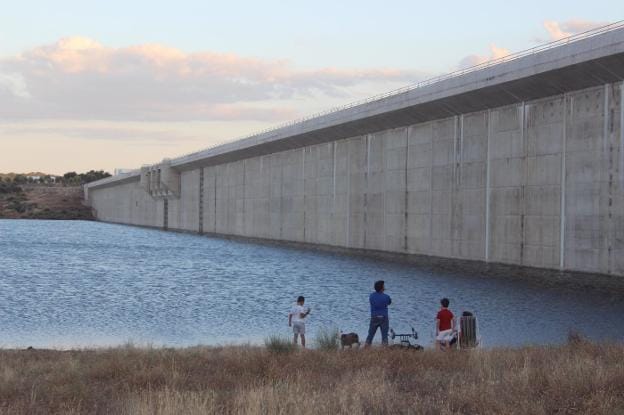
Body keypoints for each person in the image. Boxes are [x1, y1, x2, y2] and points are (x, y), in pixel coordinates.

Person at [364, 280, 392, 346]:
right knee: (384, 336)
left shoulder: (371, 296)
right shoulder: (386, 296)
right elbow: (389, 302)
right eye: (383, 286)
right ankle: (384, 350)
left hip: (374, 317)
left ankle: (366, 347)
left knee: (370, 334)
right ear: (382, 288)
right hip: (384, 318)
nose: (384, 287)